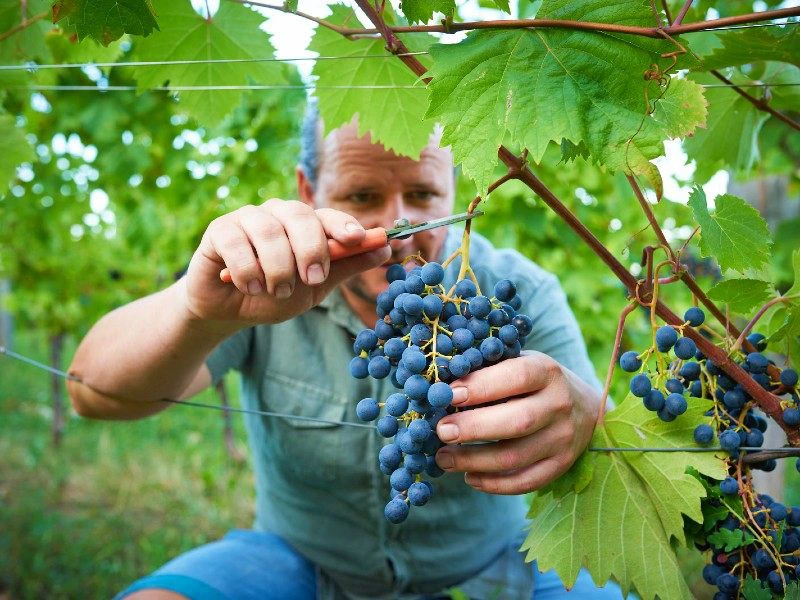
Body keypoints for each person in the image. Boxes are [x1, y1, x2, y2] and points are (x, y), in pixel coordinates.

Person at [67, 107, 627, 600]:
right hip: (304, 563)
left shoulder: (511, 297)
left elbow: (603, 437)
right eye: (363, 197)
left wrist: (585, 413)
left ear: (455, 191)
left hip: (495, 562)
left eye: (424, 195)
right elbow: (91, 393)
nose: (399, 228)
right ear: (308, 191)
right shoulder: (266, 285)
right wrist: (199, 312)